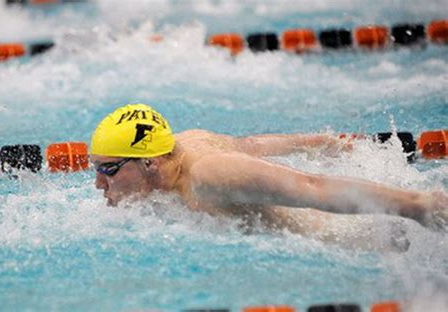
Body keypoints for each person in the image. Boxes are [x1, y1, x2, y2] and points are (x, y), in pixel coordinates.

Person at [90, 103, 447, 248]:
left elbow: (312, 186)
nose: (98, 184)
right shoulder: (182, 143)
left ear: (148, 163)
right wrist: (321, 143)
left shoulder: (210, 175)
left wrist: (419, 206)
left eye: (108, 171)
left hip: (355, 238)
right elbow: (250, 145)